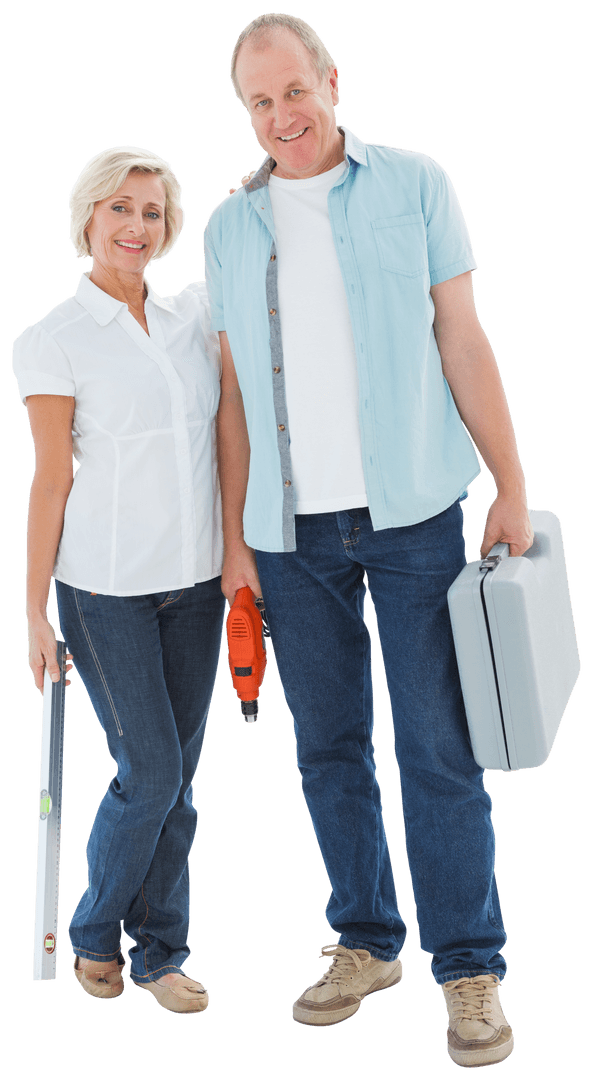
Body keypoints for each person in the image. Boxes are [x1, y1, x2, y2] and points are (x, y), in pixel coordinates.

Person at [205, 12, 533, 1067]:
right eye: (258, 102)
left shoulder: (415, 183)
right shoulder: (228, 224)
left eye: (292, 90)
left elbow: (461, 334)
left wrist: (510, 486)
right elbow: (230, 400)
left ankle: (467, 969)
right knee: (326, 747)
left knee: (436, 745)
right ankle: (362, 941)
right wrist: (235, 539)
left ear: (330, 82)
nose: (279, 116)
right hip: (286, 532)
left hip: (413, 514)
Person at [13, 146, 225, 1014]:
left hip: (199, 584)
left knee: (179, 778)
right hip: (104, 590)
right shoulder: (51, 341)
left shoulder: (193, 322)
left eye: (152, 212)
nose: (137, 226)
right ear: (87, 220)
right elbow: (50, 477)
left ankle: (160, 953)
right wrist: (32, 612)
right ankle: (98, 934)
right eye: (120, 210)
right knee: (152, 770)